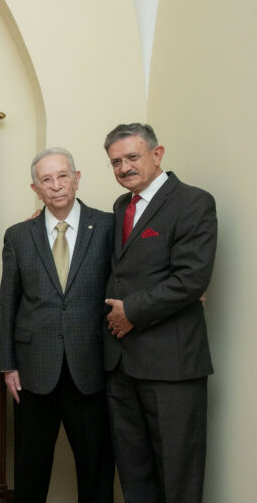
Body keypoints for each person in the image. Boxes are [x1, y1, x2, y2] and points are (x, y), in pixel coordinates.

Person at [103, 123, 217, 503]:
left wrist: (131, 311)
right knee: (135, 474)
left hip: (172, 366)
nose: (124, 168)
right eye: (116, 161)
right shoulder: (122, 206)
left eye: (132, 157)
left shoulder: (194, 202)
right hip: (122, 366)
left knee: (177, 475)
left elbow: (191, 278)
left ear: (157, 154)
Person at [0, 148, 115, 503]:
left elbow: (132, 276)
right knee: (31, 470)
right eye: (46, 180)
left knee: (96, 470)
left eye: (63, 176)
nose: (56, 185)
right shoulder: (19, 235)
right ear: (35, 189)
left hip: (91, 367)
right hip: (33, 371)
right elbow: (8, 303)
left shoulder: (108, 226)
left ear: (77, 179)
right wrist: (8, 365)